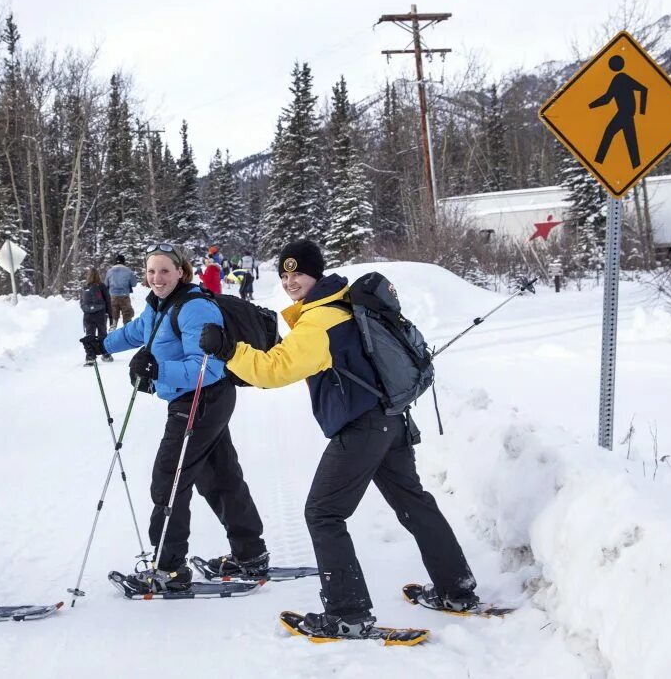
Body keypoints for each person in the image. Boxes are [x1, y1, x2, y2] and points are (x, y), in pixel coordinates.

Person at [198, 239, 478, 639]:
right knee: (414, 503)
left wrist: (229, 350)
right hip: (391, 420)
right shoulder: (347, 304)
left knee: (324, 513)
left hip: (363, 426)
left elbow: (274, 370)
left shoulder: (319, 320)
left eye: (298, 273)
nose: (291, 281)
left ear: (317, 273)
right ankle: (457, 589)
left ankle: (348, 613)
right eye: (284, 274)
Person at [81, 243, 268, 593]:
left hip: (201, 398)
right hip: (199, 400)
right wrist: (103, 344)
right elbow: (138, 332)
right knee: (220, 476)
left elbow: (209, 366)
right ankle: (250, 554)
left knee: (169, 478)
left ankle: (169, 568)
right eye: (151, 271)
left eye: (165, 270)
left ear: (181, 271)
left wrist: (157, 368)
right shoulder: (160, 305)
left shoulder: (194, 308)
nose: (157, 278)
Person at [81, 267, 114, 366]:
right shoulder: (102, 286)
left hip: (87, 315)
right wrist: (111, 316)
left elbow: (81, 302)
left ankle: (90, 357)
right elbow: (108, 301)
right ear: (98, 275)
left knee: (89, 335)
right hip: (100, 314)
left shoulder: (85, 287)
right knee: (102, 334)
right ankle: (105, 354)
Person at [105, 254, 138, 331]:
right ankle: (127, 331)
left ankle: (113, 328)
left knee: (113, 315)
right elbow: (134, 284)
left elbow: (106, 284)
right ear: (124, 261)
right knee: (127, 314)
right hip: (124, 296)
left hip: (113, 296)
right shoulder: (128, 271)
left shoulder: (109, 271)